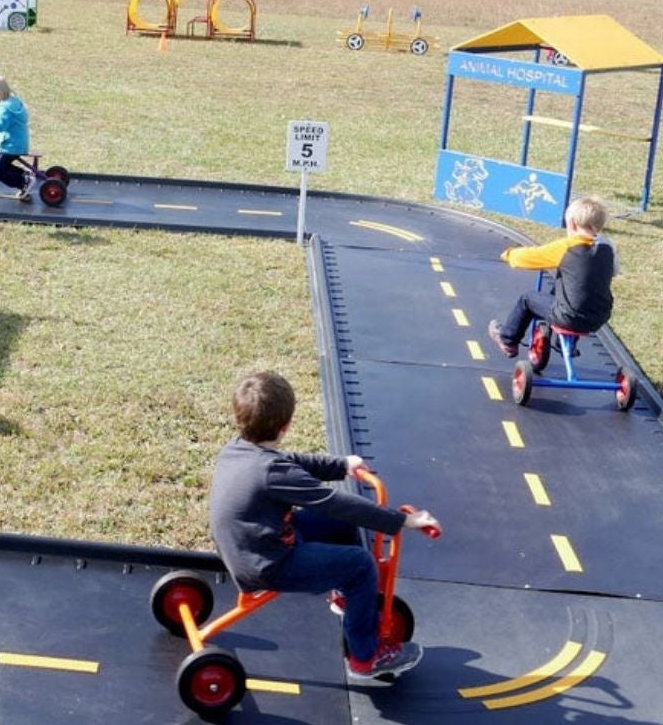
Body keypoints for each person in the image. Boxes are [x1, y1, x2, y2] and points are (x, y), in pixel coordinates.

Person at [207, 371, 437, 678]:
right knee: (361, 565)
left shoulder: (238, 449)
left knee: (341, 527)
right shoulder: (271, 472)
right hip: (266, 563)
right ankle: (365, 658)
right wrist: (404, 520)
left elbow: (293, 462)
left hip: (251, 541)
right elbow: (334, 502)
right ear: (286, 425)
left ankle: (346, 595)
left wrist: (342, 465)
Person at [486, 195, 616, 358]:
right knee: (576, 290)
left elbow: (531, 256)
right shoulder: (608, 247)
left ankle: (508, 339)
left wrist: (509, 254)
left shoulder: (567, 247)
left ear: (572, 224)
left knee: (528, 299)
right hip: (600, 316)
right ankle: (564, 345)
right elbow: (614, 271)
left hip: (569, 317)